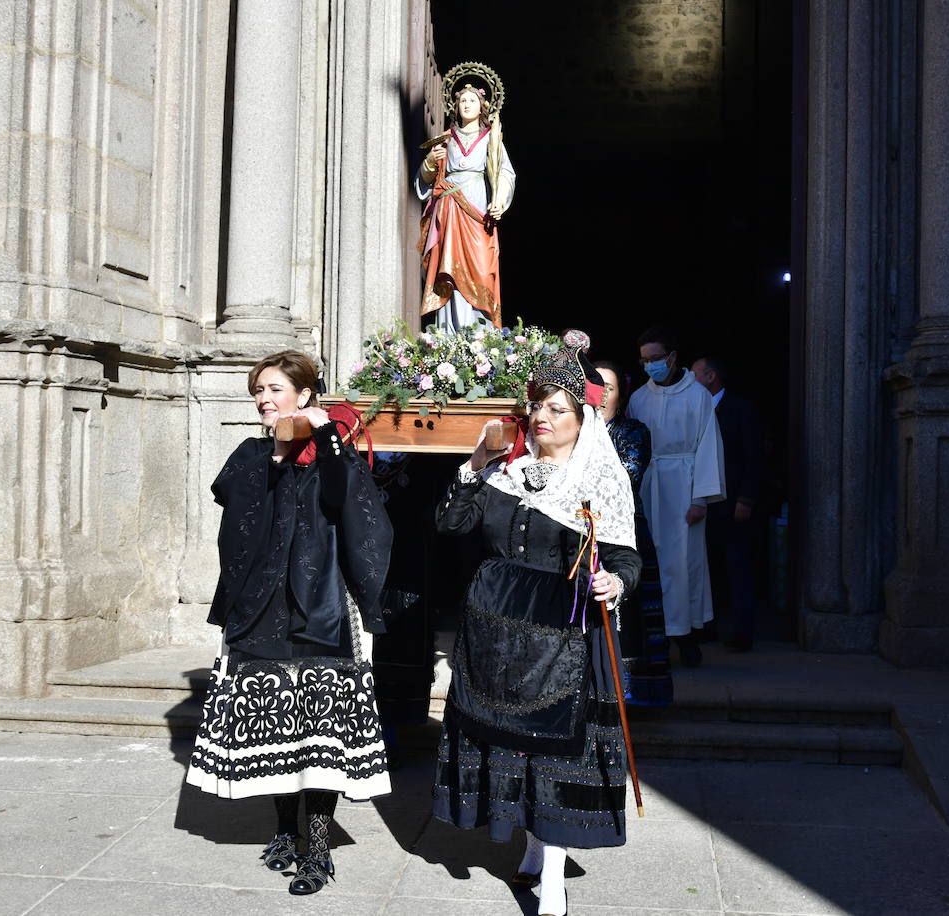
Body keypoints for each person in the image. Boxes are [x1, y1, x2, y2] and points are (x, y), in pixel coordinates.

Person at [434, 330, 639, 916]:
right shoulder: (506, 472)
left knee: (552, 753)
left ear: (583, 419)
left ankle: (552, 877)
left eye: (557, 408)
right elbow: (451, 524)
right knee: (507, 747)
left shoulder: (601, 479)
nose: (542, 416)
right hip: (493, 632)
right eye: (537, 405)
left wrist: (614, 581)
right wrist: (476, 461)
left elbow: (626, 556)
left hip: (562, 636)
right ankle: (529, 849)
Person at [185, 350, 393, 896]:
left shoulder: (334, 453)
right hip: (259, 607)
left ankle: (318, 852)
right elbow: (238, 509)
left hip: (320, 608)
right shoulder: (251, 455)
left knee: (318, 733)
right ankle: (283, 832)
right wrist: (277, 454)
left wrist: (322, 442)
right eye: (258, 391)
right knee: (275, 728)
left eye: (274, 389)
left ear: (303, 395)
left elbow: (345, 506)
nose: (264, 399)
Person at [626, 326, 725, 667]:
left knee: (685, 564)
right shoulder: (639, 398)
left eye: (655, 358)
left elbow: (708, 446)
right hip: (651, 486)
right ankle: (655, 639)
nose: (650, 365)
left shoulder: (698, 396)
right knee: (652, 563)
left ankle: (686, 637)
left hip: (685, 487)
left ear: (672, 357)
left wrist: (701, 499)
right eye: (644, 360)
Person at [593, 360, 672, 706]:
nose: (601, 395)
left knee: (633, 616)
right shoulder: (572, 430)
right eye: (596, 386)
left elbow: (629, 476)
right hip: (584, 533)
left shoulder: (634, 431)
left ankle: (635, 693)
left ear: (620, 396)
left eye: (609, 388)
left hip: (625, 534)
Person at [416, 62, 516, 330]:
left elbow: (505, 173)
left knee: (480, 270)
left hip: (476, 213)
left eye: (472, 100)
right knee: (448, 270)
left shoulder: (491, 139)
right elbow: (424, 180)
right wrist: (429, 162)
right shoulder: (445, 139)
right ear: (455, 105)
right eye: (462, 100)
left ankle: (478, 334)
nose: (467, 105)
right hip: (449, 212)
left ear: (482, 106)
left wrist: (499, 201)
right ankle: (450, 333)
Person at [692, 356, 764, 652]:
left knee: (737, 567)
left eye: (695, 374)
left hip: (733, 502)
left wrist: (746, 498)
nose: (689, 379)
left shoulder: (741, 409)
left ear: (711, 376)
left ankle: (741, 632)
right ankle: (706, 627)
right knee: (705, 568)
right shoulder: (695, 409)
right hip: (703, 504)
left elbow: (754, 457)